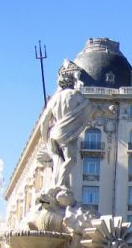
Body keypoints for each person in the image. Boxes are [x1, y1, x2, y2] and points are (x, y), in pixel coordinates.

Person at [38, 60, 112, 192]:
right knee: (71, 159)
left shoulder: (53, 99)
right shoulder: (74, 95)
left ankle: (54, 188)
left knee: (57, 160)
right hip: (65, 134)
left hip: (52, 134)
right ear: (72, 83)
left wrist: (45, 141)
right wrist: (108, 111)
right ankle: (59, 186)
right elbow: (91, 109)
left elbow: (43, 122)